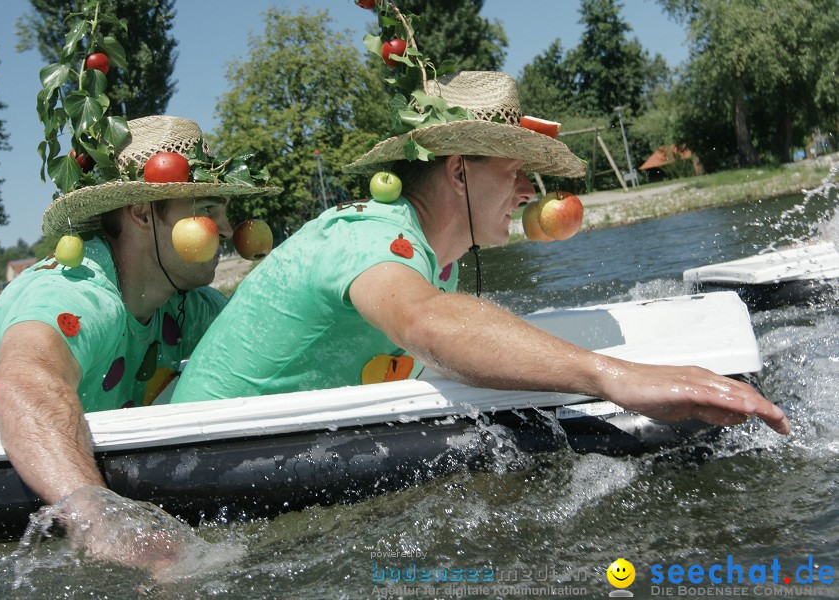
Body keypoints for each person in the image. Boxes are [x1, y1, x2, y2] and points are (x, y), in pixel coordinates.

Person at [170, 71, 789, 436]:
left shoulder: (433, 255)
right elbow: (430, 324)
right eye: (516, 170)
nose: (529, 192)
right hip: (196, 452)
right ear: (460, 171)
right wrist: (617, 376)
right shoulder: (367, 236)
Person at [0, 115, 279, 566]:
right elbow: (21, 387)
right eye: (208, 208)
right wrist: (104, 519)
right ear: (141, 214)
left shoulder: (191, 306)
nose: (225, 228)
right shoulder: (73, 291)